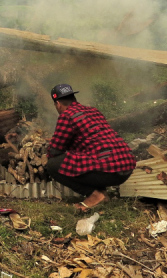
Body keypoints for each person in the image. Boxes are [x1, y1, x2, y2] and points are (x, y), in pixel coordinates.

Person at [45, 83, 136, 212]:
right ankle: (101, 191)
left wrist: (54, 146)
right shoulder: (93, 110)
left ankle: (95, 195)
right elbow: (93, 140)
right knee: (92, 155)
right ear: (73, 97)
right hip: (126, 165)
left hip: (110, 170)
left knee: (53, 165)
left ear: (58, 104)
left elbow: (54, 151)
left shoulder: (66, 116)